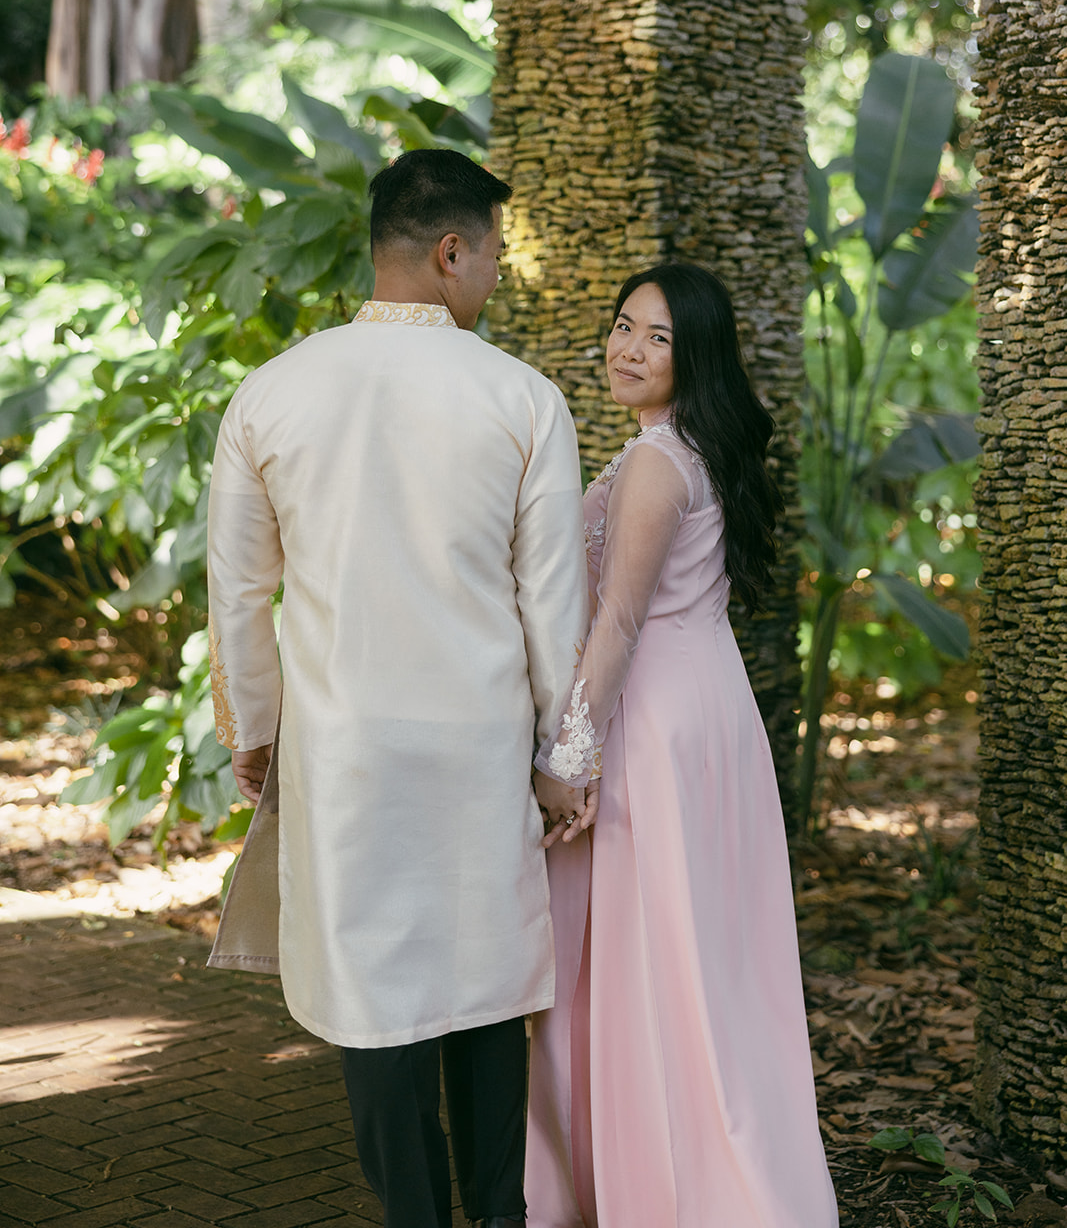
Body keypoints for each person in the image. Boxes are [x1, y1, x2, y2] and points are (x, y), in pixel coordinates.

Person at [204, 148, 595, 1228]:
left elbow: (241, 589)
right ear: (449, 249)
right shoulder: (524, 399)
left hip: (345, 753)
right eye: (493, 259)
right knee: (483, 992)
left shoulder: (271, 392)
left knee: (373, 1003)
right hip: (476, 748)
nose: (497, 282)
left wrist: (256, 727)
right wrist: (561, 760)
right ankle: (499, 1217)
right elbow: (549, 604)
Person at [525, 263, 839, 1228]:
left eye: (656, 338)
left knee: (651, 955)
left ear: (693, 355)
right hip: (703, 706)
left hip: (650, 721)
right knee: (694, 955)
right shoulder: (672, 451)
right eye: (623, 326)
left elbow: (617, 621)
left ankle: (674, 1188)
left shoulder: (659, 465)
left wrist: (564, 761)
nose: (628, 349)